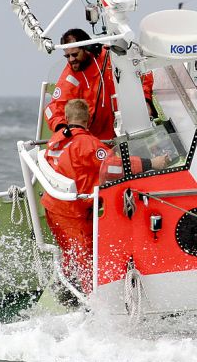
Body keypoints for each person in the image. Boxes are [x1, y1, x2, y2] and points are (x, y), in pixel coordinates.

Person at [41, 99, 167, 293]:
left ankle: (66, 289)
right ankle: (92, 299)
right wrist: (151, 163)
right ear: (88, 120)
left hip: (52, 207)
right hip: (73, 213)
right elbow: (114, 166)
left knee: (71, 253)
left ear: (66, 118)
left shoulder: (56, 139)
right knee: (86, 260)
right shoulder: (87, 143)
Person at [45, 28, 156, 141]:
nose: (71, 59)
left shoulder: (112, 55)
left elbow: (145, 73)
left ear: (87, 48)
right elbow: (54, 108)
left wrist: (146, 100)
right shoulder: (70, 77)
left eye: (75, 54)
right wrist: (62, 128)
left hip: (133, 127)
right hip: (98, 140)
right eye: (67, 56)